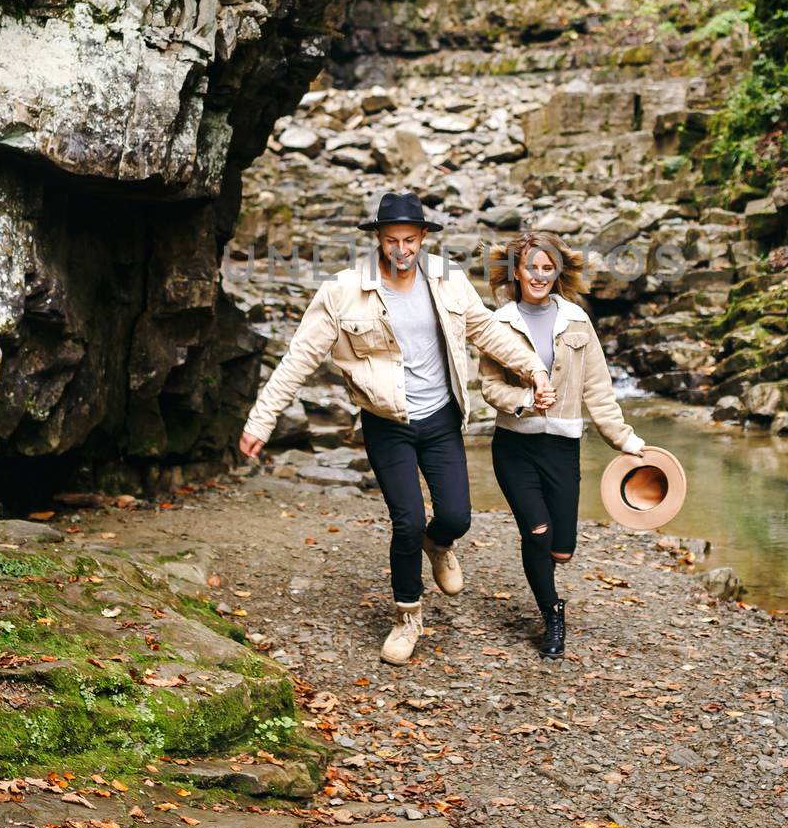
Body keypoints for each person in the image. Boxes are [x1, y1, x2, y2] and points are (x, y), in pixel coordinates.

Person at [239, 191, 554, 664]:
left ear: (423, 237)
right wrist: (262, 419)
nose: (401, 250)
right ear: (377, 240)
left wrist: (534, 368)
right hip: (388, 424)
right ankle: (408, 617)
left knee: (456, 517)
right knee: (406, 521)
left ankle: (440, 542)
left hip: (442, 418)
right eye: (391, 241)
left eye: (410, 240)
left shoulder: (447, 280)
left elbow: (486, 331)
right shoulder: (343, 291)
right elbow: (298, 359)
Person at [479, 231, 646, 660]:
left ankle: (548, 579)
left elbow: (599, 390)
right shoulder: (499, 323)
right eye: (531, 266)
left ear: (557, 271)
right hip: (514, 446)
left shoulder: (577, 320)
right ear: (516, 270)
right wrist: (524, 400)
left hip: (563, 448)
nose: (539, 275)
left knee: (561, 548)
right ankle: (552, 612)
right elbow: (489, 387)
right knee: (536, 532)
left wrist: (625, 441)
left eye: (547, 267)